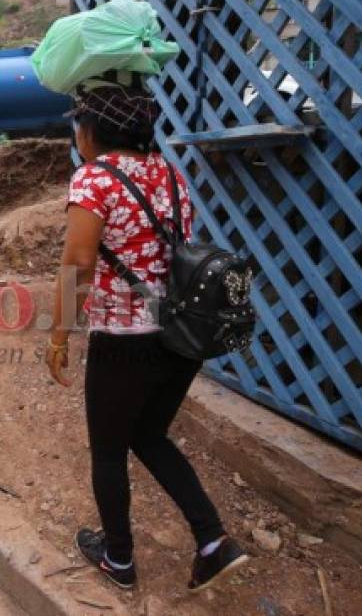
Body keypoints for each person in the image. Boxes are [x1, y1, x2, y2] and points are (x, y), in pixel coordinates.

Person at [46, 81, 249, 591]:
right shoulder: (170, 174)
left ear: (91, 131)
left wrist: (58, 336)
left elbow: (78, 262)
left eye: (79, 125)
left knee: (109, 450)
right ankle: (212, 542)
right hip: (179, 335)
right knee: (149, 434)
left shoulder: (92, 179)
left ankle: (118, 559)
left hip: (124, 338)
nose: (77, 135)